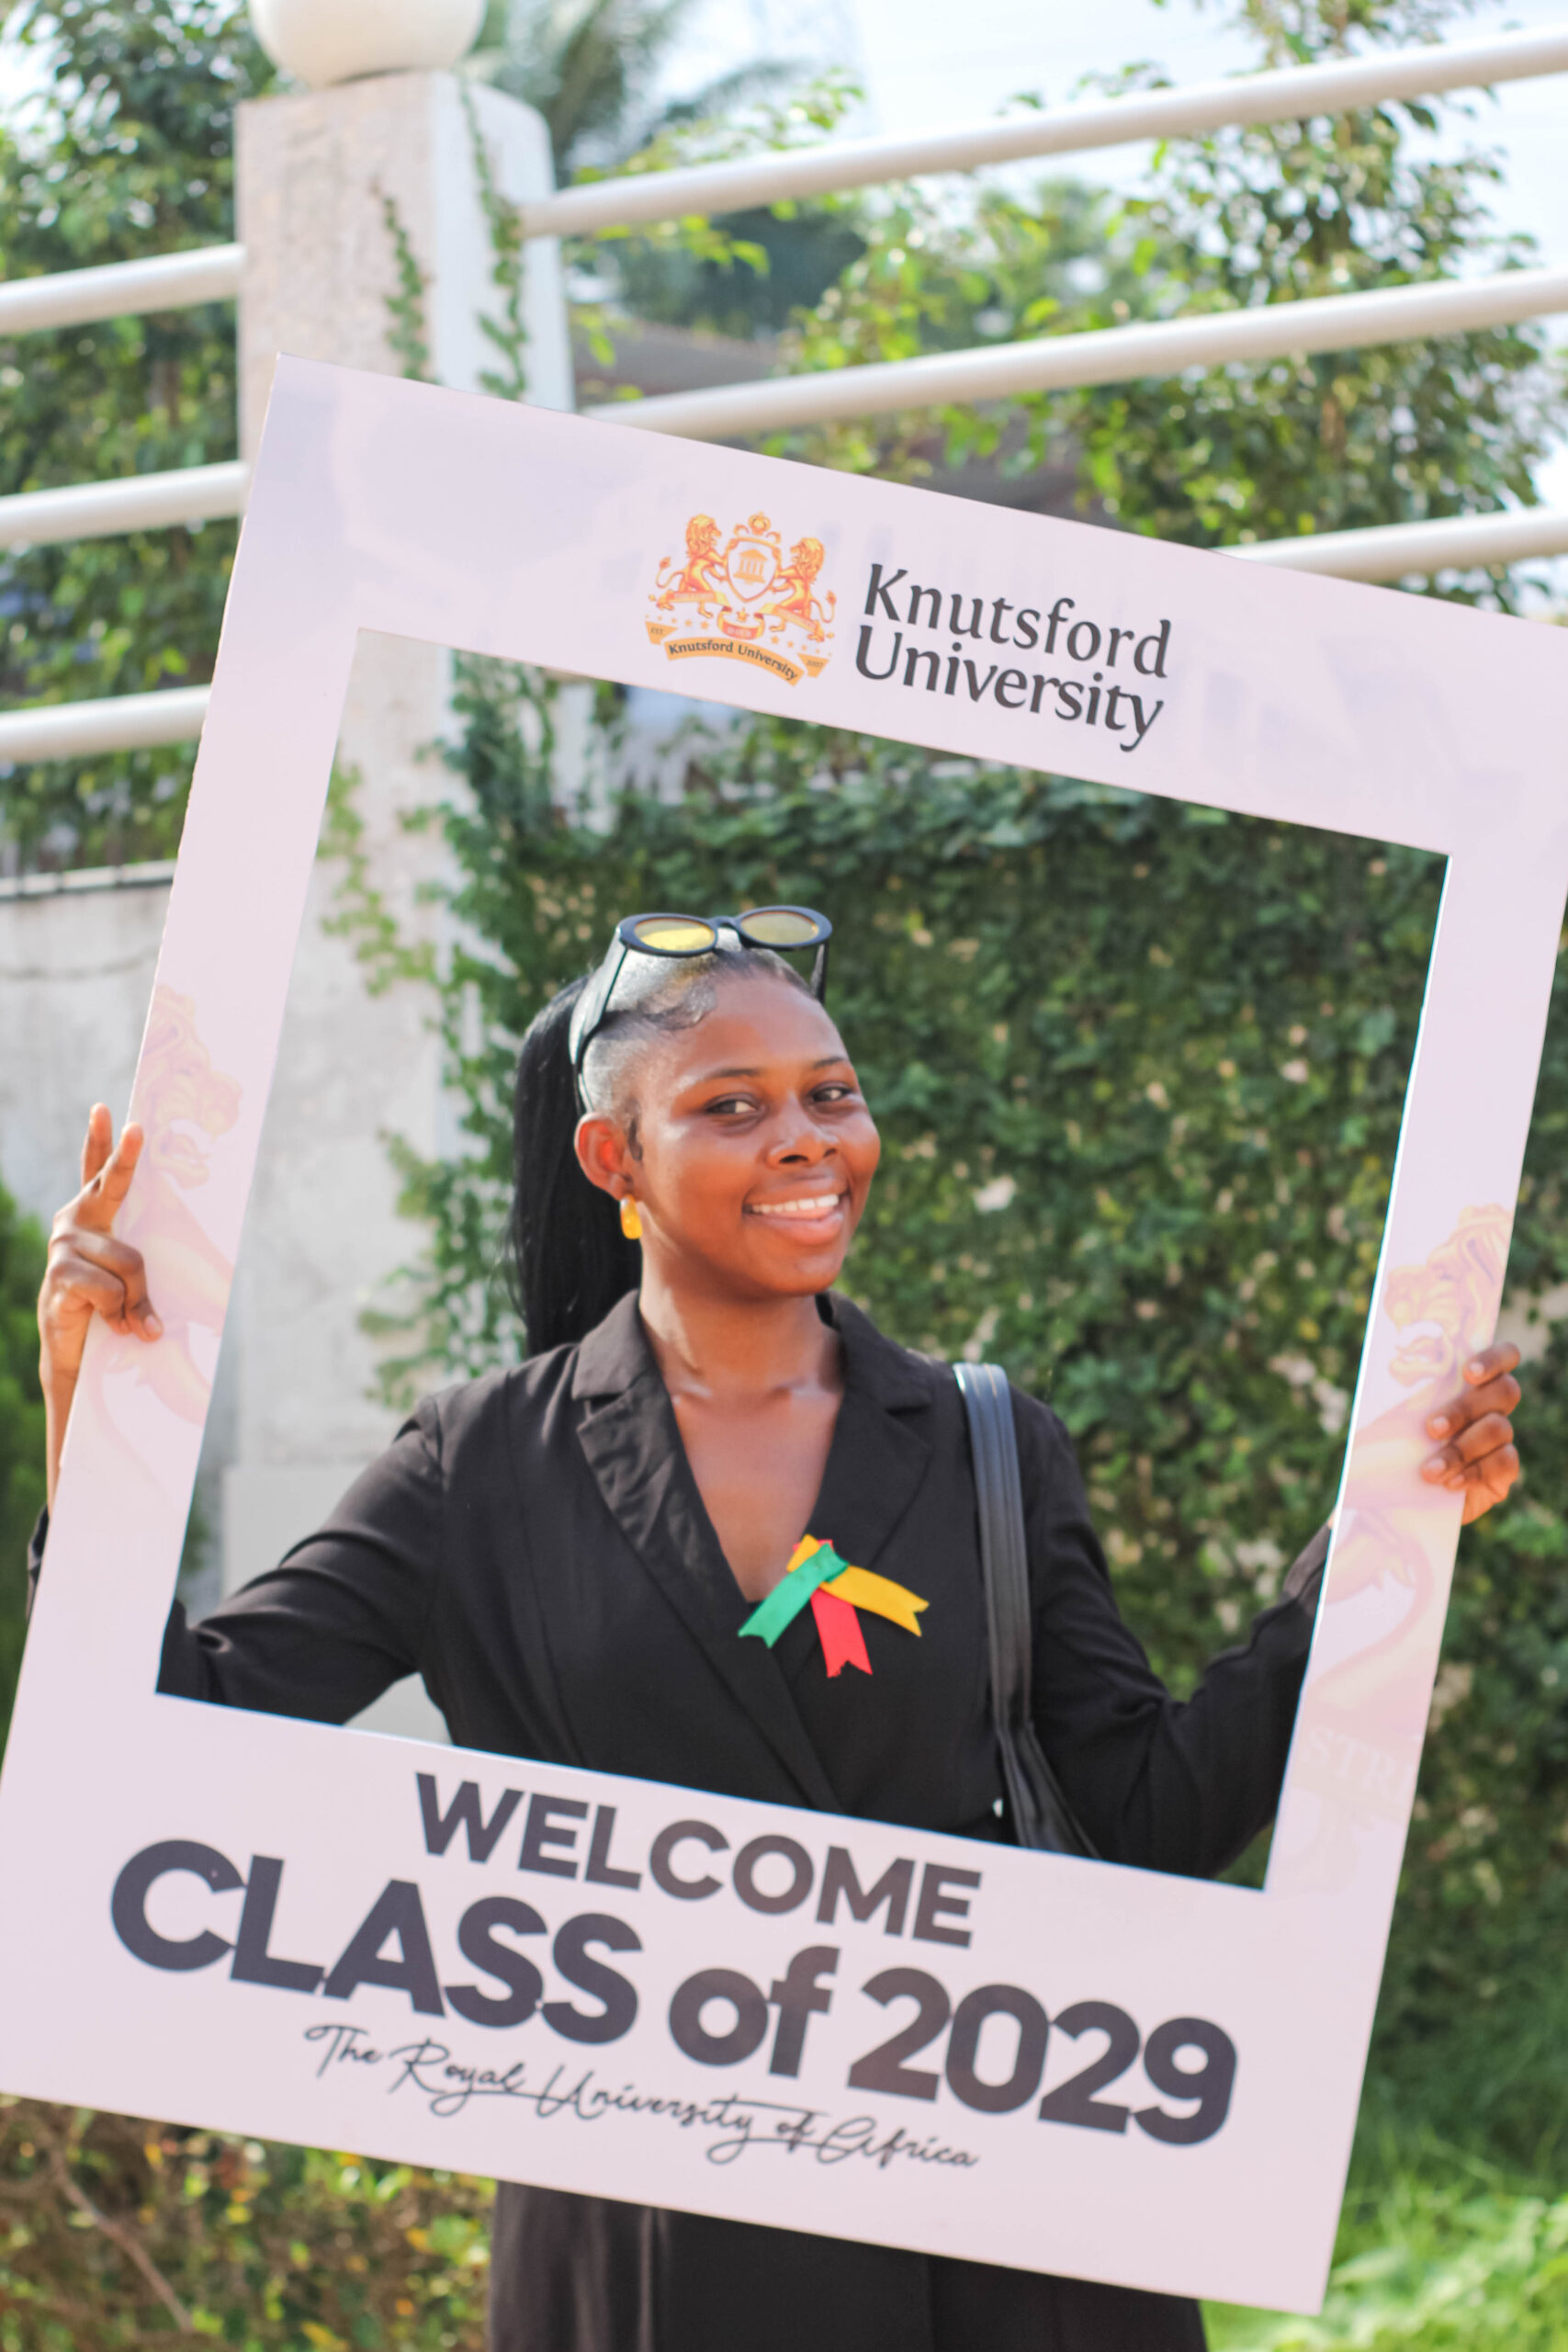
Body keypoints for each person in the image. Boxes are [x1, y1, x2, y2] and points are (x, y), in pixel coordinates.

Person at [34, 909, 1522, 2352]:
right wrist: (97, 1427)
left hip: (999, 2232)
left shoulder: (986, 1441)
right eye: (734, 1106)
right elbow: (168, 1743)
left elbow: (1147, 1812)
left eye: (832, 1095)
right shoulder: (478, 1465)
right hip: (657, 2253)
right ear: (614, 1159)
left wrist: (1383, 1543)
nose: (809, 1139)